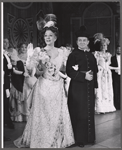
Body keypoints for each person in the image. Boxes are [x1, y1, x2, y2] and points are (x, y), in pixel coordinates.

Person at [14, 14, 75, 148]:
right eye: (45, 36)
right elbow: (35, 72)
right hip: (43, 86)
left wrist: (62, 73)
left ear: (55, 37)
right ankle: (42, 138)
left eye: (50, 36)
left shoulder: (62, 51)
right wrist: (37, 65)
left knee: (56, 114)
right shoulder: (39, 51)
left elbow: (64, 69)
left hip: (57, 87)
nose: (47, 38)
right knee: (43, 115)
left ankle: (57, 140)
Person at [66, 25, 98, 147]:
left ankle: (90, 138)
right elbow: (69, 71)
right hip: (77, 88)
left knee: (88, 112)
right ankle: (79, 139)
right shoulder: (73, 55)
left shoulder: (91, 55)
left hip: (89, 88)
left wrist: (95, 86)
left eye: (84, 40)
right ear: (77, 42)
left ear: (88, 42)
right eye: (80, 40)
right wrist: (83, 76)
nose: (82, 42)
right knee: (79, 112)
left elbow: (95, 72)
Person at [93, 34, 117, 114]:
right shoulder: (97, 54)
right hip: (100, 73)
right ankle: (99, 108)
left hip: (107, 74)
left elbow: (108, 65)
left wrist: (117, 68)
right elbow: (95, 65)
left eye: (105, 45)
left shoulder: (108, 55)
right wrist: (99, 69)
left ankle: (108, 107)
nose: (104, 47)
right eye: (102, 45)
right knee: (99, 89)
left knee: (107, 89)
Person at [3, 39, 15, 130]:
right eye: (4, 42)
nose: (6, 44)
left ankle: (7, 121)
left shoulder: (7, 54)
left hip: (6, 80)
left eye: (7, 42)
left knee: (6, 102)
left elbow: (9, 69)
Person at [110, 45, 121, 110]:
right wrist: (115, 69)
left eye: (120, 49)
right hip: (115, 76)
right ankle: (117, 105)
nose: (119, 50)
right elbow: (108, 66)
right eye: (118, 49)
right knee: (116, 90)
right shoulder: (112, 58)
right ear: (116, 50)